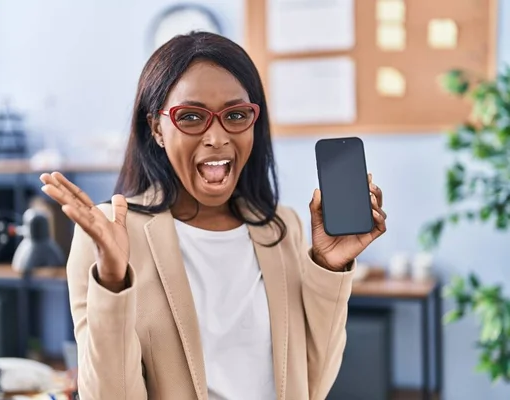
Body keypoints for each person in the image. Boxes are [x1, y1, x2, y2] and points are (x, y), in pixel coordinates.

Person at [40, 31, 386, 400]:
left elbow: (311, 385)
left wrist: (329, 268)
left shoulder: (284, 228)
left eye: (236, 115)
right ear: (157, 128)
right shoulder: (110, 232)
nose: (217, 137)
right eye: (191, 117)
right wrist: (112, 280)